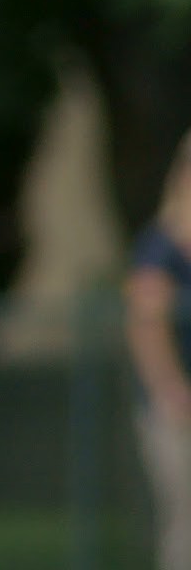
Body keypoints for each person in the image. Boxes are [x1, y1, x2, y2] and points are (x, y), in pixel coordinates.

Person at [126, 130, 191, 570]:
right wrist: (170, 389)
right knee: (185, 519)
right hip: (175, 406)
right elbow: (146, 324)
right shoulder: (162, 244)